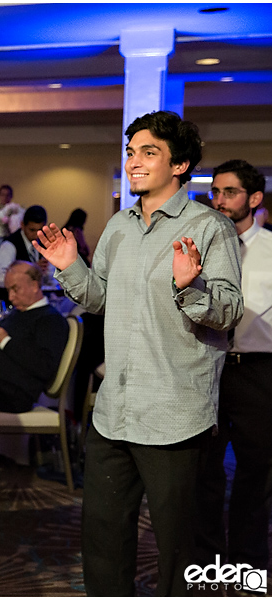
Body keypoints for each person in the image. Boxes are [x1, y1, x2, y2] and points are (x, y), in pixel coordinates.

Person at [35, 111, 243, 595]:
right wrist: (71, 267)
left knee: (178, 548)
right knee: (104, 538)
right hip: (114, 411)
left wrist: (190, 287)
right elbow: (101, 299)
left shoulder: (210, 227)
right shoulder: (119, 227)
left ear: (180, 164)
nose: (134, 162)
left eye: (149, 152)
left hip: (175, 413)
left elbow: (229, 311)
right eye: (131, 152)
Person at [195, 159, 271, 575]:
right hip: (208, 366)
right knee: (204, 470)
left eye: (229, 193)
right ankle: (205, 561)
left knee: (256, 473)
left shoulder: (273, 251)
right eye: (215, 192)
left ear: (254, 199)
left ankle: (249, 562)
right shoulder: (199, 249)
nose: (219, 201)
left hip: (258, 371)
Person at [0, 261, 68, 418]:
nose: (10, 297)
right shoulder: (17, 313)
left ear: (35, 286)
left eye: (15, 289)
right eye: (8, 290)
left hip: (10, 393)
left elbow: (45, 367)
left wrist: (4, 341)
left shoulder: (50, 319)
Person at [0, 204, 47, 306]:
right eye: (32, 230)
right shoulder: (10, 245)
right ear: (22, 225)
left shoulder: (44, 243)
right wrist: (31, 270)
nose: (36, 235)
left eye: (40, 230)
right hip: (9, 305)